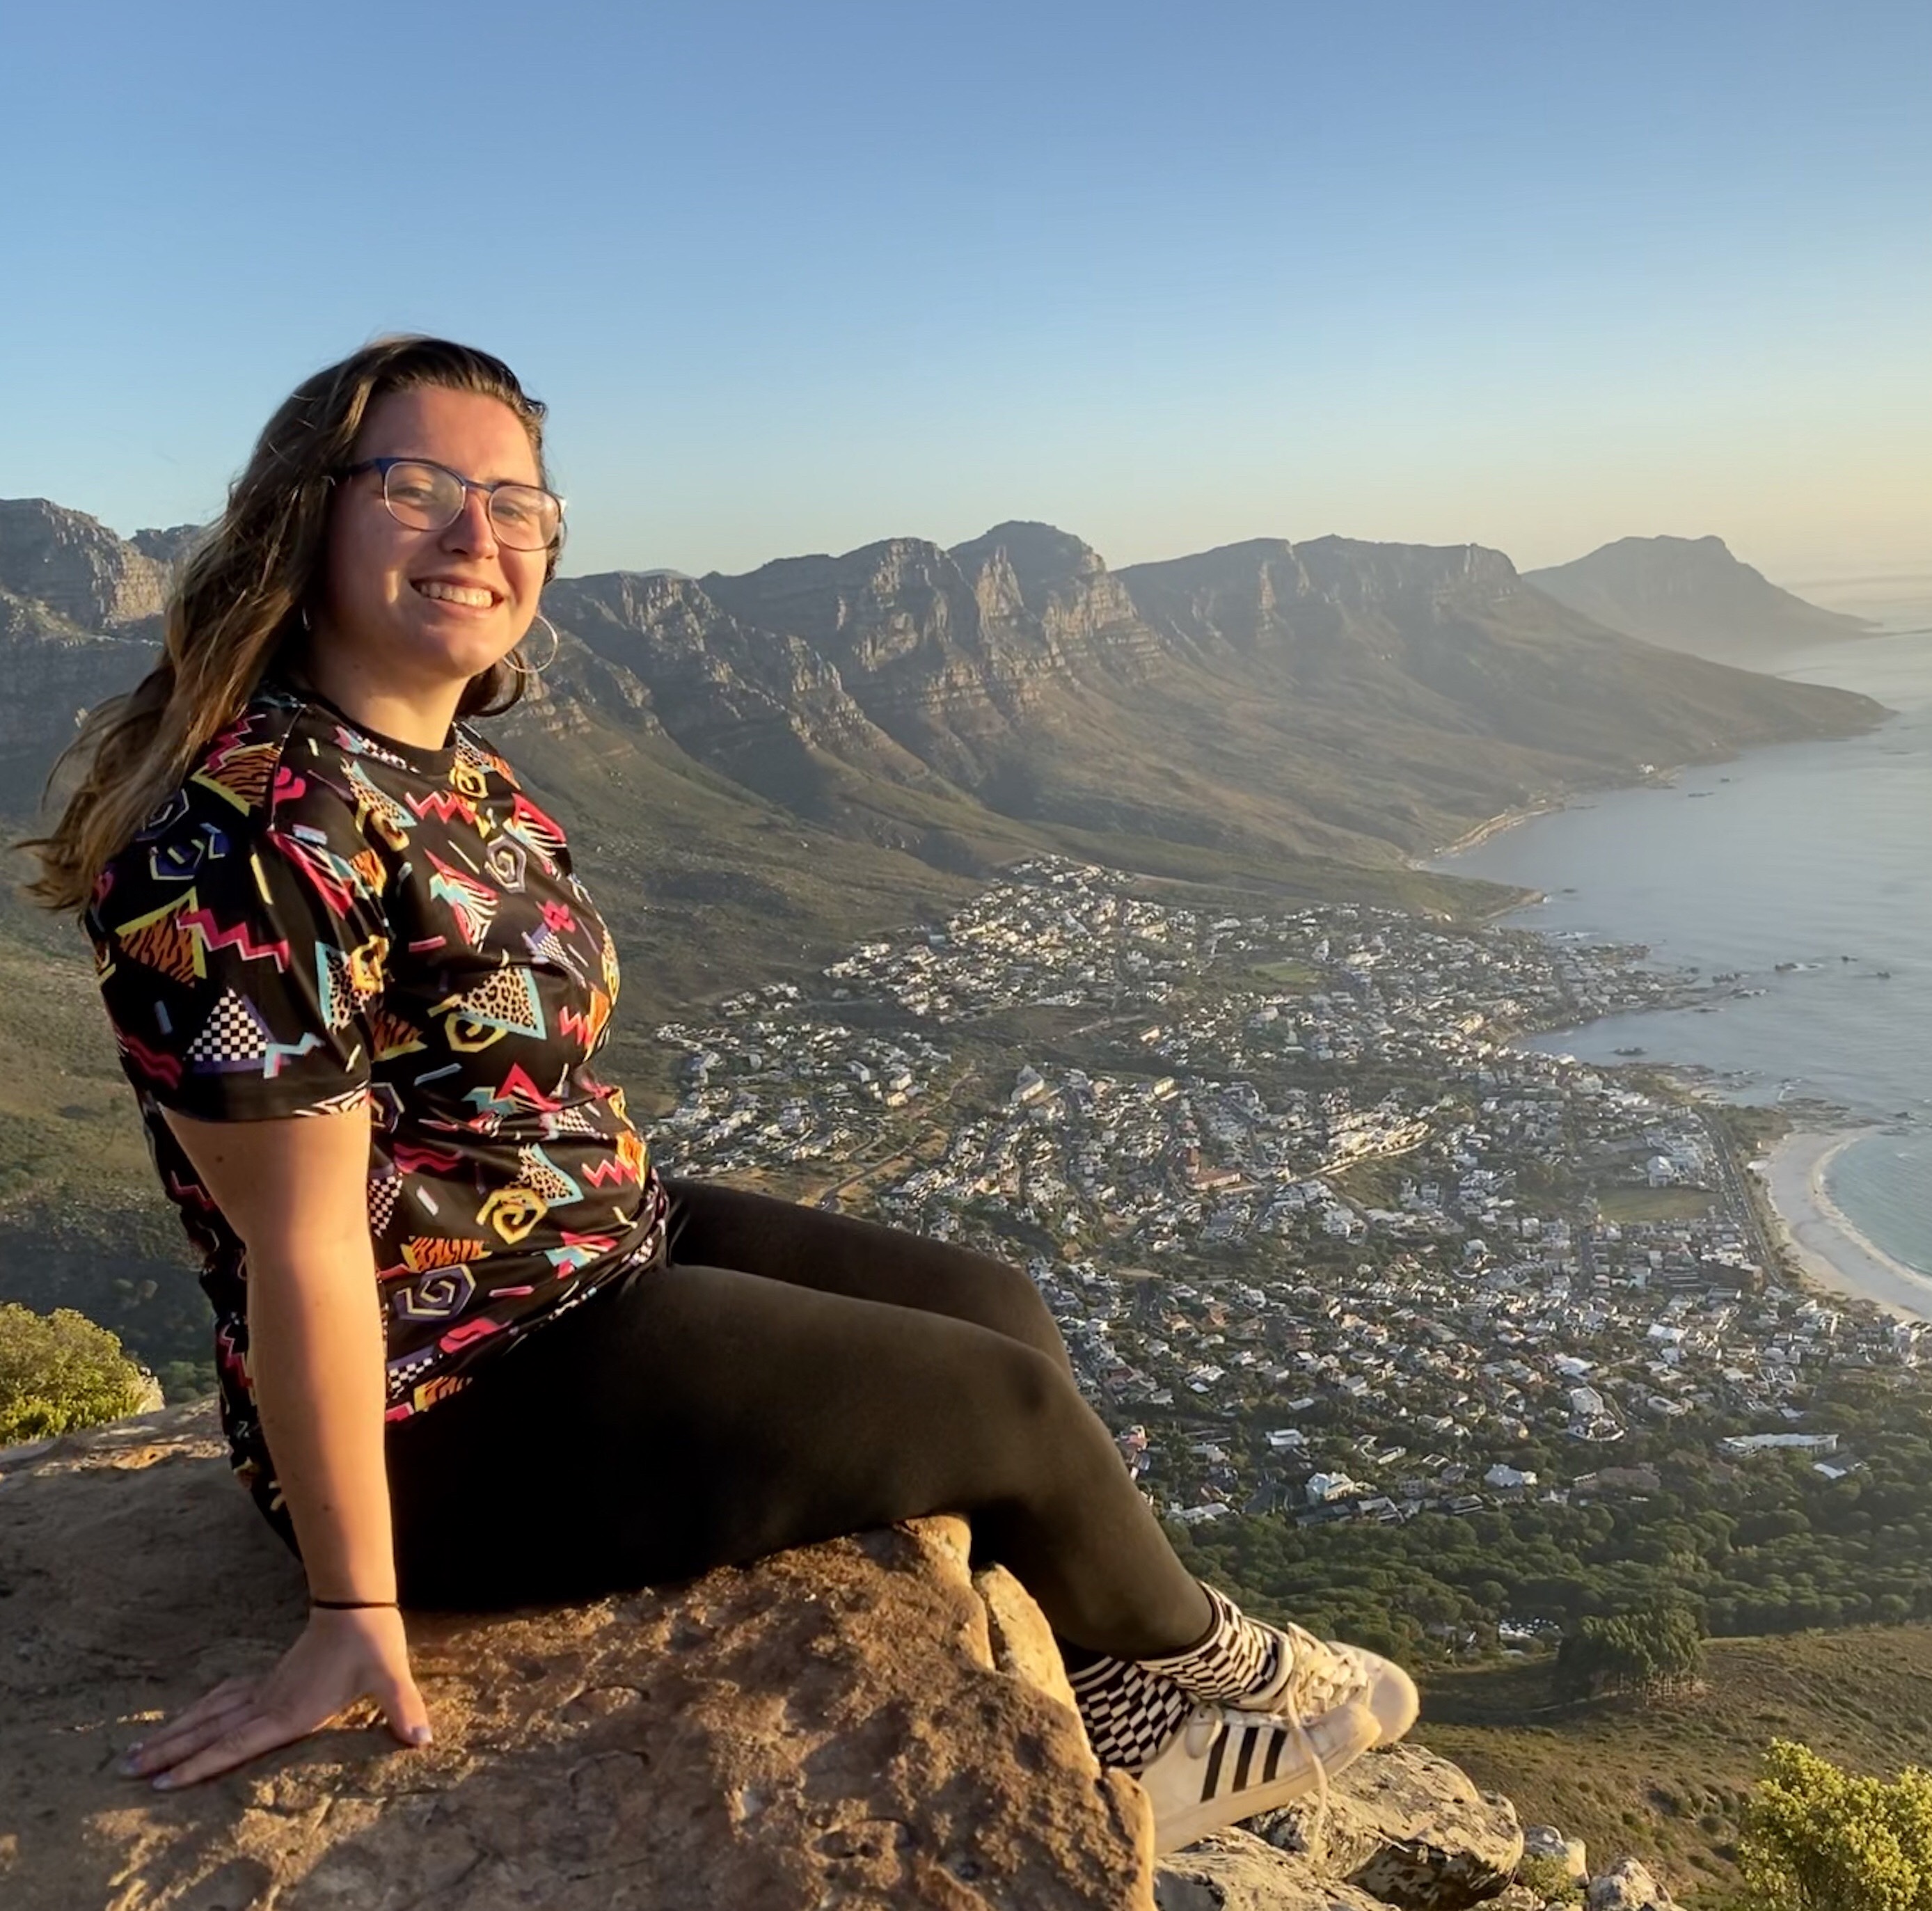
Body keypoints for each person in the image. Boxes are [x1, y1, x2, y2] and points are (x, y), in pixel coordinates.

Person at [20, 335, 1415, 1851]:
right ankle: (1214, 1670)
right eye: (416, 486)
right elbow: (301, 1250)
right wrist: (355, 1600)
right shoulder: (249, 830)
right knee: (993, 1402)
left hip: (581, 1244)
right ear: (308, 513)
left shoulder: (436, 763)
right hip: (453, 1389)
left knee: (991, 1299)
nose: (476, 535)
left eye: (516, 501)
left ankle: (1125, 1714)